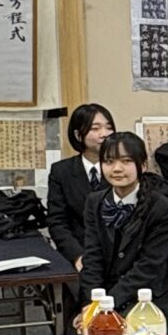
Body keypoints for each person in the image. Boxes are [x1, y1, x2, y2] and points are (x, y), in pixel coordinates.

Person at [77, 130, 168, 326]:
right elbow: (92, 257)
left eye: (126, 161)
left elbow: (148, 267)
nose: (117, 169)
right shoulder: (95, 202)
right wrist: (93, 305)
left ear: (142, 165)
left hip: (147, 300)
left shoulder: (162, 208)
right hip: (104, 296)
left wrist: (107, 306)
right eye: (109, 161)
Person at [44, 103, 113, 262]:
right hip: (79, 253)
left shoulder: (122, 169)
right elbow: (57, 222)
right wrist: (77, 257)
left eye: (109, 128)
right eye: (95, 128)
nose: (104, 134)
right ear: (78, 135)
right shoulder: (62, 171)